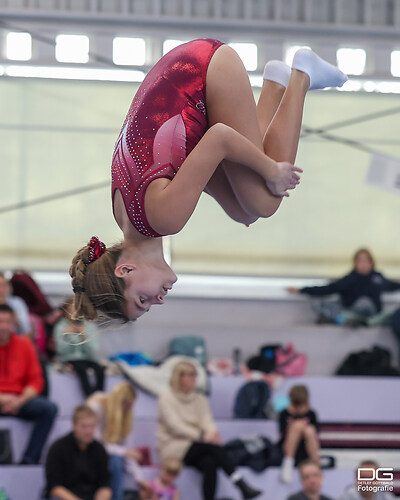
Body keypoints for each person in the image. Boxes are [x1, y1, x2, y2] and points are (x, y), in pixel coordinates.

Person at [69, 39, 347, 322]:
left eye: (143, 300)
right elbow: (194, 161)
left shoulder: (163, 220)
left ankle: (302, 75)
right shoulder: (127, 217)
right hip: (187, 69)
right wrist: (237, 202)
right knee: (245, 209)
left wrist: (271, 172)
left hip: (203, 71)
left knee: (264, 202)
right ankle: (275, 85)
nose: (159, 301)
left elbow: (220, 138)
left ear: (125, 270)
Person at [157, 361, 262, 500]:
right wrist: (203, 436)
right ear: (179, 377)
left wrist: (213, 433)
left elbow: (207, 421)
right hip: (175, 446)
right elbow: (175, 426)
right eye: (191, 375)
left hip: (199, 446)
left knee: (210, 462)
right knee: (213, 449)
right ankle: (240, 484)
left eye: (195, 375)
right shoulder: (167, 399)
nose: (194, 378)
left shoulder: (200, 398)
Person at [0, 303, 57, 464]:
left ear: (13, 323)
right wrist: (3, 399)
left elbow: (36, 380)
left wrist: (20, 400)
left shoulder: (24, 345)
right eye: (0, 322)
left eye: (6, 322)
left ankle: (30, 459)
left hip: (20, 399)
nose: (3, 326)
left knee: (49, 409)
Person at [288, 248, 400, 327]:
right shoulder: (349, 279)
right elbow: (329, 289)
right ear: (355, 263)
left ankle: (366, 322)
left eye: (366, 260)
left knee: (392, 313)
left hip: (375, 316)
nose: (363, 263)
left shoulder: (378, 278)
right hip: (351, 314)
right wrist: (302, 290)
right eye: (360, 260)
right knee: (318, 302)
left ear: (371, 262)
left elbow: (393, 285)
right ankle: (347, 320)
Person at [87, 382, 152, 500]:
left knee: (117, 460)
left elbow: (128, 450)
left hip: (110, 455)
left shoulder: (126, 417)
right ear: (120, 401)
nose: (128, 410)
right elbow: (94, 443)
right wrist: (124, 451)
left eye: (131, 406)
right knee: (116, 460)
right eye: (127, 405)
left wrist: (139, 479)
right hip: (90, 453)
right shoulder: (97, 406)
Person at [45, 404, 112, 500]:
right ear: (74, 426)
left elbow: (105, 486)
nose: (88, 431)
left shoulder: (99, 449)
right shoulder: (58, 448)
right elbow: (54, 487)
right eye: (84, 426)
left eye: (91, 426)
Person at [54, 297, 105, 397]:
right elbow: (60, 350)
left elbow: (93, 351)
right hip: (69, 359)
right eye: (71, 313)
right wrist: (67, 335)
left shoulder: (89, 327)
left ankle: (99, 395)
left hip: (87, 358)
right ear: (66, 313)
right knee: (81, 369)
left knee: (100, 369)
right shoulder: (61, 327)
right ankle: (89, 396)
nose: (75, 316)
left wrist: (83, 337)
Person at [279, 385, 320, 484]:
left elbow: (315, 434)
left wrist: (303, 425)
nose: (298, 407)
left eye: (301, 404)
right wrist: (293, 419)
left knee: (309, 430)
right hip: (289, 449)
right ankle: (288, 463)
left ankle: (316, 466)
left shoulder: (311, 414)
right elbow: (282, 434)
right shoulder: (285, 413)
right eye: (296, 404)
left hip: (306, 448)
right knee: (297, 426)